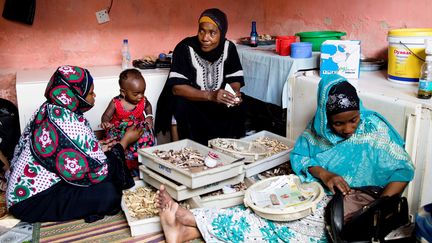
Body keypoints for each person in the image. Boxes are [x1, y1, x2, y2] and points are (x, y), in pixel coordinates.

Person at [154, 74, 414, 242]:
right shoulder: (317, 129)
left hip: (359, 206)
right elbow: (301, 157)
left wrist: (376, 208)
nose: (347, 129)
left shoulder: (373, 129)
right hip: (320, 194)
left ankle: (191, 220)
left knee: (286, 230)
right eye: (338, 124)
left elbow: (402, 170)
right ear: (325, 118)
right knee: (266, 211)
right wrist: (325, 174)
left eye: (353, 120)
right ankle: (188, 229)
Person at [6, 65, 143, 223]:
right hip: (31, 201)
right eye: (91, 92)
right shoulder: (67, 122)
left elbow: (65, 149)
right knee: (109, 193)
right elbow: (100, 171)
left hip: (32, 189)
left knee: (106, 172)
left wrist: (96, 147)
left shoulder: (51, 108)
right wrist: (124, 141)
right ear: (76, 95)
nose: (94, 95)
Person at [155, 8, 246, 145]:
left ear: (222, 33)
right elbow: (177, 88)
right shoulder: (185, 48)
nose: (205, 38)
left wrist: (233, 94)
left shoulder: (229, 48)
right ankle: (189, 151)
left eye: (212, 33)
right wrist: (210, 95)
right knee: (178, 104)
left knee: (242, 105)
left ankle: (228, 149)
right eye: (201, 31)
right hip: (193, 102)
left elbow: (235, 80)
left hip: (218, 104)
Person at [101, 68, 155, 171]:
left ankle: (142, 164)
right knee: (117, 148)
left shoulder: (143, 100)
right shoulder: (116, 102)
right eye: (136, 94)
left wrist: (149, 117)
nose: (140, 96)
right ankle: (126, 169)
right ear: (123, 92)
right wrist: (105, 122)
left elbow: (148, 106)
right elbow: (106, 115)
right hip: (120, 133)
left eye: (142, 92)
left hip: (138, 131)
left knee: (147, 137)